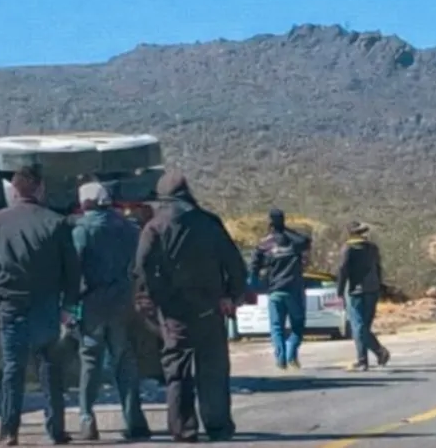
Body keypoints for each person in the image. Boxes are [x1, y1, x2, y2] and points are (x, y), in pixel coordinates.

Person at [134, 171, 246, 443]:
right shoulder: (209, 222)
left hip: (173, 311)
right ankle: (218, 426)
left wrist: (149, 302)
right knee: (213, 369)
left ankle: (184, 429)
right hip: (210, 308)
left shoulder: (154, 227)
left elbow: (141, 269)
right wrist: (231, 295)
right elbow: (234, 263)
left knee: (177, 372)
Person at [0, 165, 81, 446]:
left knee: (13, 369)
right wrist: (69, 306)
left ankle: (9, 431)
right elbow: (72, 270)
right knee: (50, 368)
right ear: (40, 189)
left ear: (14, 191)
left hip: (11, 304)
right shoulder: (57, 223)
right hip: (47, 305)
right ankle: (56, 430)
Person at [70, 180, 150, 442]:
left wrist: (70, 303)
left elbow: (74, 269)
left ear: (87, 202)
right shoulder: (129, 229)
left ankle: (87, 420)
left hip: (92, 303)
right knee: (124, 360)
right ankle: (135, 420)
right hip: (123, 301)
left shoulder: (81, 230)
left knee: (90, 360)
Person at [249, 208, 312, 369]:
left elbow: (254, 265)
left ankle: (281, 358)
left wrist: (253, 285)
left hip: (274, 291)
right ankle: (291, 353)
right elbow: (306, 241)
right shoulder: (295, 243)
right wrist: (285, 229)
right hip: (294, 290)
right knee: (298, 324)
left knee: (276, 327)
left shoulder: (265, 243)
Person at [335, 222, 391, 372]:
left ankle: (375, 353)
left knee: (358, 327)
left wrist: (339, 291)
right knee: (363, 327)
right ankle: (365, 360)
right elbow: (378, 268)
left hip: (355, 291)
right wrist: (379, 285)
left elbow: (342, 270)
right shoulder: (372, 248)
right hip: (372, 289)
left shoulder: (348, 248)